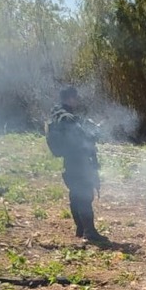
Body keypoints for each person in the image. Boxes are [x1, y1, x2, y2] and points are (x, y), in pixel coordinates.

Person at [48, 86, 107, 244]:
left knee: (75, 195)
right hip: (78, 161)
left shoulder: (58, 115)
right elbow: (84, 136)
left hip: (70, 160)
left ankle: (80, 228)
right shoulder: (68, 118)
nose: (77, 100)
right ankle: (89, 232)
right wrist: (95, 132)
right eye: (75, 97)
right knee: (85, 195)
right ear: (69, 98)